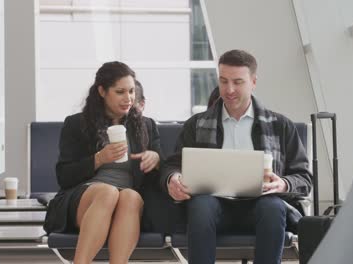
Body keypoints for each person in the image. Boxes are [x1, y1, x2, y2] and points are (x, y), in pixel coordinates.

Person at [160, 49, 312, 264]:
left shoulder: (280, 126)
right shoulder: (197, 124)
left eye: (238, 82)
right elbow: (172, 165)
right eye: (223, 81)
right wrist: (172, 179)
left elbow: (304, 177)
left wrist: (284, 184)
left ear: (253, 82)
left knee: (273, 206)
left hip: (260, 206)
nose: (229, 90)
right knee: (202, 205)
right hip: (213, 207)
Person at [43, 61, 162, 264]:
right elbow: (64, 176)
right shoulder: (76, 124)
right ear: (102, 91)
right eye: (120, 92)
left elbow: (161, 172)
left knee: (131, 196)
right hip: (86, 198)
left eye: (132, 91)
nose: (129, 98)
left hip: (126, 202)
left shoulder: (146, 126)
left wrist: (156, 159)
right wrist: (99, 158)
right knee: (108, 192)